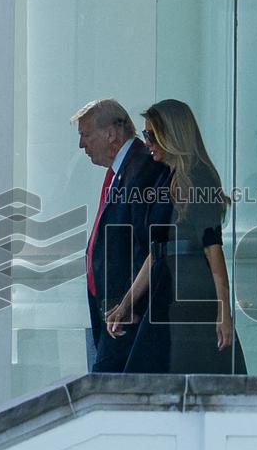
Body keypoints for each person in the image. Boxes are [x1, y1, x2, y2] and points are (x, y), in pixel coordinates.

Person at [106, 99, 247, 374]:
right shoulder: (162, 177)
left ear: (171, 135)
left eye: (151, 135)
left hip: (191, 291)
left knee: (185, 371)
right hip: (165, 287)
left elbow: (212, 247)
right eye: (145, 134)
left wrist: (223, 312)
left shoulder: (198, 177)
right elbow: (156, 251)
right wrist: (125, 305)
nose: (146, 142)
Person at [73, 99, 166, 373]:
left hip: (127, 318)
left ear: (111, 133)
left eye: (85, 134)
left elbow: (148, 246)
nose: (81, 144)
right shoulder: (122, 171)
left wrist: (130, 305)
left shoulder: (143, 168)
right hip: (113, 313)